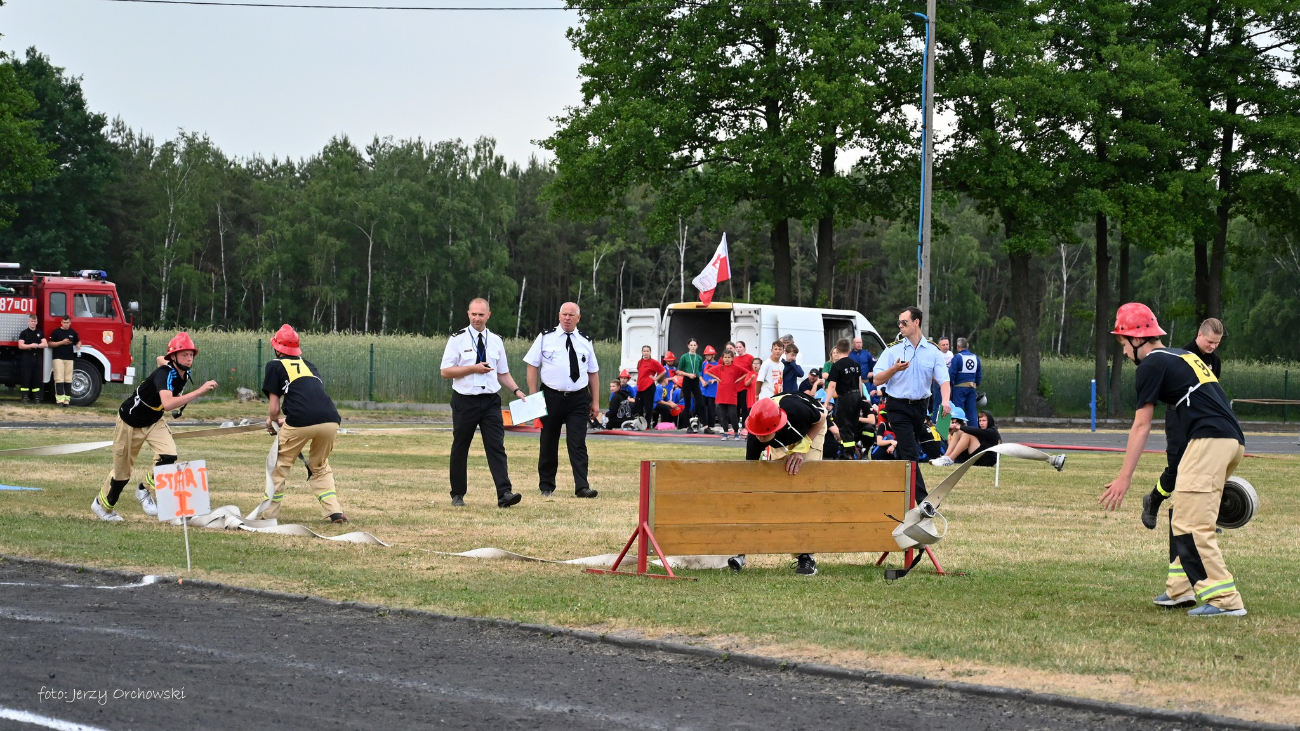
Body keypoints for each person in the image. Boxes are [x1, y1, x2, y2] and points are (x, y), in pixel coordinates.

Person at [1100, 303, 1247, 617]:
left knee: (1192, 524)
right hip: (1228, 440)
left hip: (1210, 440)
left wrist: (1125, 477)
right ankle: (1180, 590)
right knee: (1182, 511)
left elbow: (1141, 425)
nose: (1124, 352)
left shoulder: (1151, 365)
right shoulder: (1184, 356)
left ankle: (1224, 600)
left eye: (1123, 343)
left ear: (1138, 340)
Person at [92, 332, 218, 522]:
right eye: (184, 354)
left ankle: (144, 491)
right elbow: (167, 404)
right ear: (174, 356)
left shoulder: (179, 370)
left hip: (154, 420)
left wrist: (166, 359)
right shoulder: (165, 374)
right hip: (130, 421)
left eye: (191, 354)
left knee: (169, 455)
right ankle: (102, 506)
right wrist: (199, 391)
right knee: (121, 474)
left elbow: (160, 358)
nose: (189, 358)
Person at [439, 298, 527, 508]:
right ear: (468, 314)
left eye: (481, 314)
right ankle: (458, 494)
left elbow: (502, 372)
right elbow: (445, 371)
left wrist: (516, 390)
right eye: (474, 314)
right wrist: (472, 368)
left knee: (496, 446)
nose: (477, 318)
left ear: (489, 315)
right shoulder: (457, 339)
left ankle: (504, 493)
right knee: (461, 447)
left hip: (490, 401)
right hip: (465, 400)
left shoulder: (496, 340)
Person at [1141, 318, 1226, 529]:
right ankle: (1153, 500)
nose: (1213, 347)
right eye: (1209, 342)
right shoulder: (1181, 356)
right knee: (1177, 468)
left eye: (1217, 343)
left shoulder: (1215, 361)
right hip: (1178, 416)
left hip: (1201, 420)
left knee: (1204, 469)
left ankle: (1203, 518)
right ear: (1199, 335)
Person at [263, 324, 349, 523]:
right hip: (330, 419)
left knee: (279, 466)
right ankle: (334, 511)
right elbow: (311, 399)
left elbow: (274, 409)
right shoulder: (310, 365)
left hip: (301, 421)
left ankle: (269, 515)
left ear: (277, 348)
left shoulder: (274, 365)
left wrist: (273, 421)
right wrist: (287, 419)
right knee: (319, 465)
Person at [739, 393, 828, 576]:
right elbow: (750, 476)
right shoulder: (756, 434)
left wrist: (802, 448)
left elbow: (821, 418)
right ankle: (741, 550)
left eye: (764, 436)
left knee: (802, 489)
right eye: (758, 435)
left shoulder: (798, 413)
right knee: (781, 491)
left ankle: (806, 555)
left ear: (776, 426)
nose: (760, 439)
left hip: (813, 426)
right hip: (783, 435)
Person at [873, 307, 950, 501]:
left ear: (916, 322)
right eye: (899, 322)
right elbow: (876, 379)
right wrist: (894, 369)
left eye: (904, 322)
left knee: (920, 449)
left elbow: (944, 380)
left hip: (920, 407)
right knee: (910, 453)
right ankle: (924, 502)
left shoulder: (932, 351)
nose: (900, 326)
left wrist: (946, 402)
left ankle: (897, 490)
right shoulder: (893, 349)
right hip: (897, 406)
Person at [525, 302, 601, 499]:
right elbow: (532, 366)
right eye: (564, 314)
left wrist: (595, 402)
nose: (567, 318)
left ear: (578, 318)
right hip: (551, 397)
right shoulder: (545, 338)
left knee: (578, 443)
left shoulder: (585, 341)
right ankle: (546, 485)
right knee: (549, 441)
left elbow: (593, 372)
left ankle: (582, 486)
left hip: (578, 398)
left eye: (571, 315)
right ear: (559, 316)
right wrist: (534, 397)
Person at [824, 338, 863, 460]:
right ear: (849, 350)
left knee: (844, 425)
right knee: (853, 424)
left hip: (845, 397)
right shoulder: (856, 365)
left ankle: (848, 454)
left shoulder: (837, 366)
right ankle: (851, 451)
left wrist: (826, 402)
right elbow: (860, 383)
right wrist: (860, 399)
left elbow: (832, 385)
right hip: (856, 395)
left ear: (837, 349)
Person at [932, 409, 1001, 467]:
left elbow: (975, 431)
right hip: (978, 456)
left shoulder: (993, 431)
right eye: (980, 421)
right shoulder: (981, 431)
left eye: (984, 421)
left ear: (989, 421)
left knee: (967, 435)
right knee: (958, 432)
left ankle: (950, 459)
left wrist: (959, 427)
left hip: (987, 460)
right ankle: (945, 457)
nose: (981, 423)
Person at [707, 350, 746, 440]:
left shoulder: (735, 367)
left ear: (732, 358)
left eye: (729, 357)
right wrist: (717, 378)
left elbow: (746, 372)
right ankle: (725, 432)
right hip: (721, 393)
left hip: (731, 394)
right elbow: (707, 371)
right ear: (722, 358)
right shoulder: (720, 367)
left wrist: (738, 380)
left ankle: (736, 432)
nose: (727, 359)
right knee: (723, 415)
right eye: (725, 357)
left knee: (733, 415)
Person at [47, 315, 80, 407]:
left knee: (68, 379)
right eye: (64, 323)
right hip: (58, 358)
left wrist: (78, 344)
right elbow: (49, 344)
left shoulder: (72, 332)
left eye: (67, 323)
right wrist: (62, 342)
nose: (66, 324)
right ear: (61, 322)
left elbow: (78, 341)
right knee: (59, 378)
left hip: (69, 358)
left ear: (70, 323)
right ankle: (59, 401)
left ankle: (67, 401)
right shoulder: (56, 332)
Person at [948, 338, 982, 426]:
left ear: (958, 346)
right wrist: (976, 384)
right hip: (972, 388)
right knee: (972, 412)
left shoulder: (957, 357)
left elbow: (951, 374)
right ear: (967, 346)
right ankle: (974, 432)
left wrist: (950, 385)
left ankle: (958, 432)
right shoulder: (976, 358)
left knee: (958, 411)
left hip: (959, 388)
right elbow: (979, 375)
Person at [16, 314, 46, 406]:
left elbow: (45, 344)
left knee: (36, 377)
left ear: (37, 322)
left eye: (34, 321)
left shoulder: (40, 333)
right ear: (28, 322)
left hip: (37, 357)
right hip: (26, 357)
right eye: (31, 321)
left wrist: (37, 345)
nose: (33, 323)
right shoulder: (24, 333)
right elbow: (20, 345)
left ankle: (36, 398)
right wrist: (31, 345)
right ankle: (25, 397)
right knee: (26, 376)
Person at [676, 339, 705, 429]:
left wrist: (702, 380)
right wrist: (688, 374)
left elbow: (699, 371)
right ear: (688, 346)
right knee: (687, 403)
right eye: (691, 345)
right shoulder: (684, 357)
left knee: (701, 403)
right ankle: (687, 425)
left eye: (694, 345)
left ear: (697, 346)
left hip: (695, 381)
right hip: (687, 380)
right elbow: (678, 370)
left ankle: (705, 425)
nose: (693, 347)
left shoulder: (699, 358)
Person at [634, 345, 665, 424]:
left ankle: (647, 424)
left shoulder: (653, 362)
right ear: (642, 352)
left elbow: (663, 371)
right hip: (640, 386)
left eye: (647, 351)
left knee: (648, 406)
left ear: (650, 352)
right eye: (644, 351)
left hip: (649, 386)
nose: (646, 353)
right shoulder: (640, 362)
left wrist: (656, 378)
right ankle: (640, 422)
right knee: (638, 405)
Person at [732, 341, 755, 422]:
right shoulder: (734, 359)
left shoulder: (750, 357)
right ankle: (736, 424)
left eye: (740, 347)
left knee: (745, 406)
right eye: (737, 347)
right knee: (736, 406)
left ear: (744, 348)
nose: (738, 349)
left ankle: (745, 424)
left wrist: (741, 378)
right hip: (735, 386)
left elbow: (752, 371)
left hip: (745, 385)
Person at [699, 345, 719, 431]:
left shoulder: (717, 365)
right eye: (706, 355)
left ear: (713, 355)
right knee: (703, 407)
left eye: (709, 355)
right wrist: (702, 381)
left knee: (711, 408)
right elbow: (700, 374)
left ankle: (711, 425)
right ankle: (704, 424)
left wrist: (713, 380)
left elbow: (719, 376)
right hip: (703, 389)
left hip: (713, 390)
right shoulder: (704, 364)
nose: (707, 356)